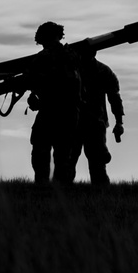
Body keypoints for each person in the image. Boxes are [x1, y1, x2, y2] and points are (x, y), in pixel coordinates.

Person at [25, 22, 82, 184]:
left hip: (54, 112)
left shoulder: (45, 58)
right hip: (67, 113)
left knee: (44, 154)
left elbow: (31, 79)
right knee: (61, 155)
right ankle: (59, 193)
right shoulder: (72, 56)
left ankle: (46, 189)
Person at [73, 46, 124, 185]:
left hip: (92, 123)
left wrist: (119, 122)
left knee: (97, 164)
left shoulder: (103, 71)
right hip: (76, 122)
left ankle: (100, 196)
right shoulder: (72, 69)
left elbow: (114, 98)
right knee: (67, 163)